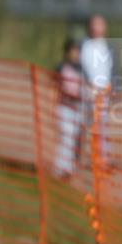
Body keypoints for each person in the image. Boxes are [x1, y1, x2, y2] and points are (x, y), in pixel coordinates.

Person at [79, 14, 113, 164]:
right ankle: (77, 157)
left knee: (102, 126)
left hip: (104, 92)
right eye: (94, 24)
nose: (96, 28)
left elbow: (113, 69)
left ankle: (102, 159)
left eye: (100, 24)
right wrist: (88, 84)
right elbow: (81, 67)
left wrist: (114, 87)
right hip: (87, 92)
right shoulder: (84, 45)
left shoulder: (109, 46)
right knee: (83, 125)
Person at [53, 39, 84, 179]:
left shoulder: (82, 69)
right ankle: (60, 168)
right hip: (64, 106)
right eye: (73, 50)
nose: (75, 53)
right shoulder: (61, 68)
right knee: (66, 136)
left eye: (77, 50)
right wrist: (52, 106)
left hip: (77, 108)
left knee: (73, 138)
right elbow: (53, 88)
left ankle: (68, 168)